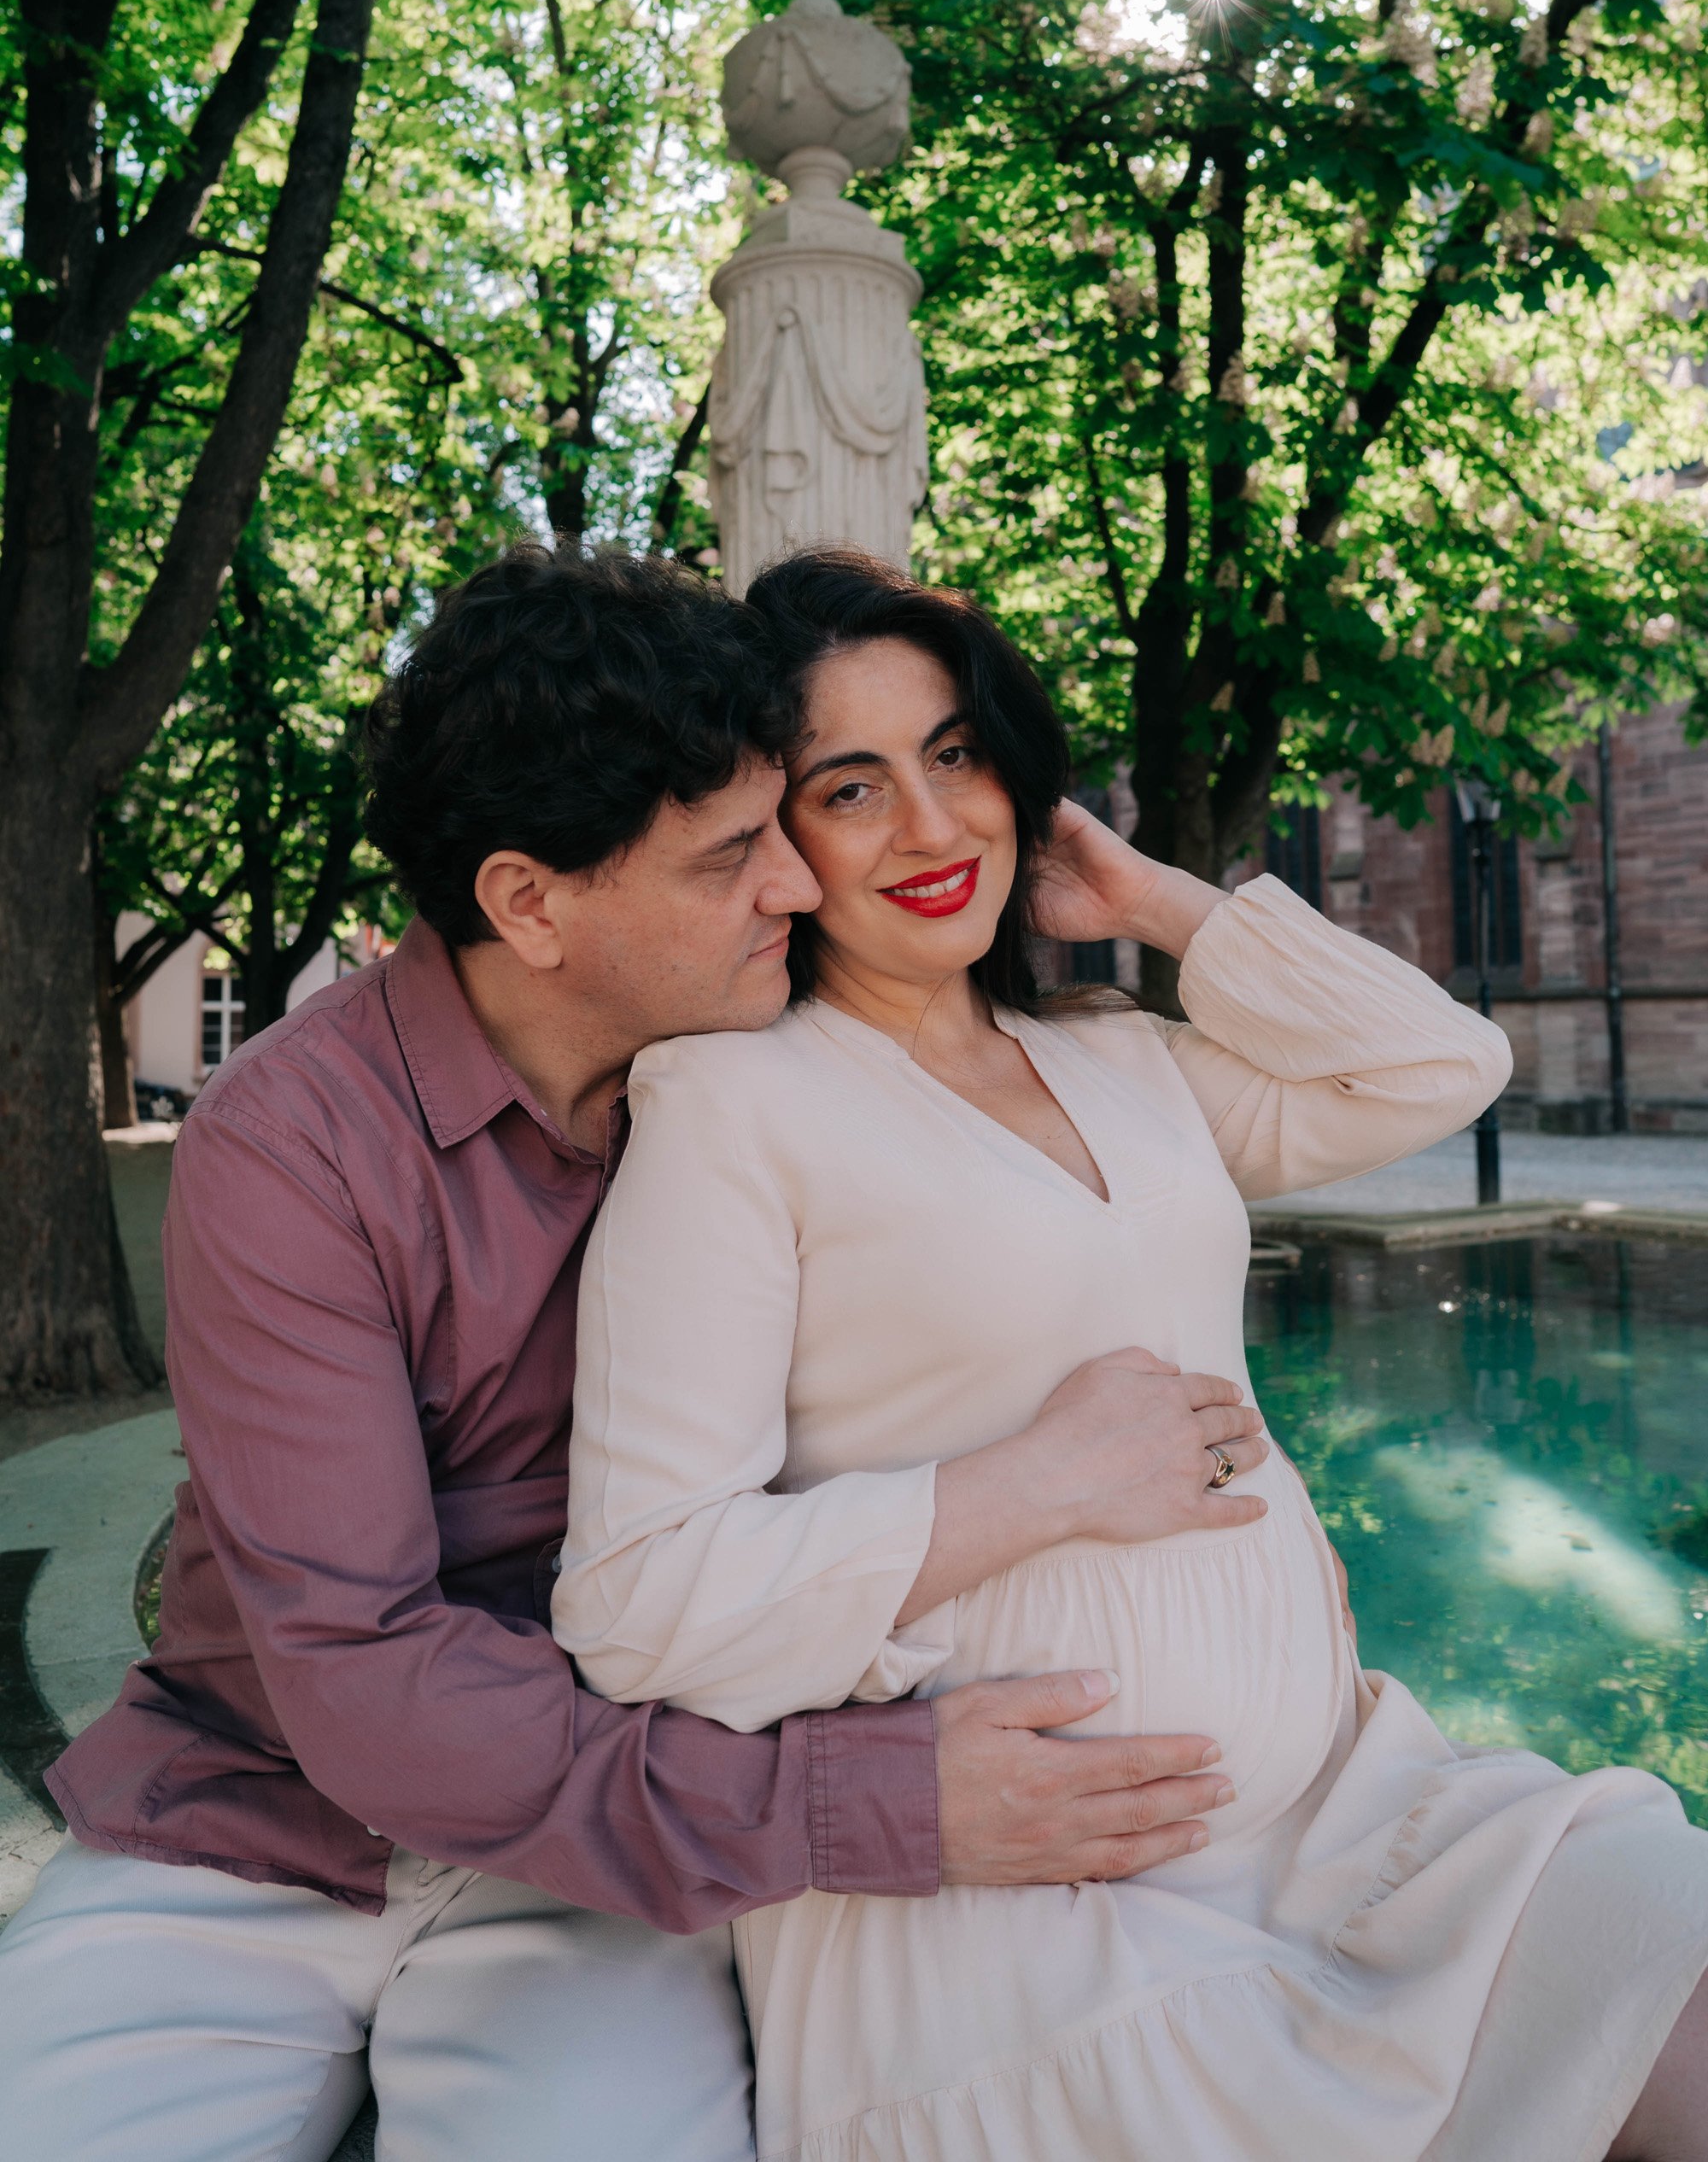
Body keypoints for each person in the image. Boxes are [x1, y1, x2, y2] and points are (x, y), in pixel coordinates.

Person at [0, 546, 1266, 2162]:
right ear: (530, 903)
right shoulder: (293, 1144)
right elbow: (367, 1675)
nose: (800, 887)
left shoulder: (797, 1089)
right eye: (734, 854)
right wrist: (867, 1802)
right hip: (250, 1823)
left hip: (598, 1870)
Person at [554, 547, 1708, 2162]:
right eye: (853, 787)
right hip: (1023, 1907)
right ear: (782, 841)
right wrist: (1035, 1484)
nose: (933, 826)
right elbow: (641, 1601)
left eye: (956, 756)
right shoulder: (735, 1110)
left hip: (1344, 1823)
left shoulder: (1117, 1058)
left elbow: (1442, 1066)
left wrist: (1155, 901)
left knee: (1673, 1950)